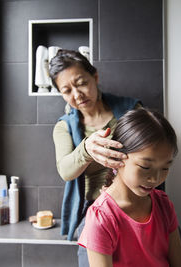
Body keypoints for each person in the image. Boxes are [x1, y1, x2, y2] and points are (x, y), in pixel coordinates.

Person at [50, 49, 141, 266]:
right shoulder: (64, 127)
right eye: (67, 90)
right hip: (96, 208)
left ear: (95, 77)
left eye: (81, 83)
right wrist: (86, 149)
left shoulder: (131, 110)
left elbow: (150, 153)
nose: (77, 94)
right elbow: (65, 170)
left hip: (139, 202)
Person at [78, 108, 181, 267]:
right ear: (117, 155)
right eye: (145, 167)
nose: (155, 179)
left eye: (165, 168)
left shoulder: (163, 205)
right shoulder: (102, 218)